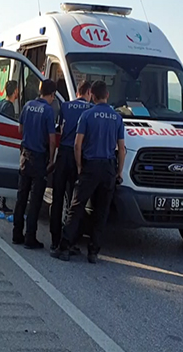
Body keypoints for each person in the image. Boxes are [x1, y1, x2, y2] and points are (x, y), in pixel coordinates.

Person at [51, 80, 125, 263]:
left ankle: (65, 247)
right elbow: (121, 149)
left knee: (76, 207)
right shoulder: (117, 118)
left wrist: (79, 166)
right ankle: (93, 252)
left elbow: (77, 145)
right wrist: (119, 173)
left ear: (92, 94)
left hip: (90, 166)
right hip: (108, 167)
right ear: (107, 95)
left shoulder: (87, 115)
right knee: (101, 211)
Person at [12, 79, 57, 249]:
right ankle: (30, 237)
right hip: (39, 158)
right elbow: (52, 140)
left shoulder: (28, 105)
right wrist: (51, 160)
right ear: (52, 94)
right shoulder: (48, 111)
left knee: (21, 197)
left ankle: (17, 234)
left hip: (25, 155)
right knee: (35, 200)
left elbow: (20, 130)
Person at [49, 80, 93, 253]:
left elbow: (59, 128)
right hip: (78, 157)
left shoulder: (65, 105)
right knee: (77, 201)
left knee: (58, 198)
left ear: (77, 91)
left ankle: (54, 239)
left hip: (63, 155)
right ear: (89, 92)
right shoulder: (90, 110)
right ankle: (72, 241)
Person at [0, 80, 19, 214]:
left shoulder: (1, 103)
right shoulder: (9, 107)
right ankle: (1, 203)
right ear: (15, 91)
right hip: (4, 143)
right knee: (4, 176)